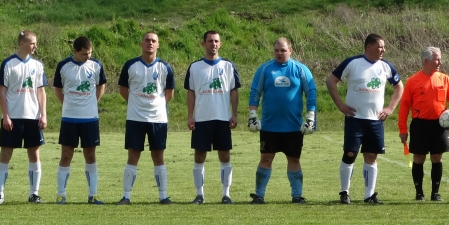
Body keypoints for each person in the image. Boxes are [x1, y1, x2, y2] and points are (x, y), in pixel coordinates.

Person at [326, 33, 404, 204]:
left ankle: (369, 195)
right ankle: (344, 192)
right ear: (369, 47)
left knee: (371, 156)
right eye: (380, 46)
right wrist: (340, 104)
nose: (383, 49)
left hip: (375, 120)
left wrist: (390, 108)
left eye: (383, 47)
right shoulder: (353, 63)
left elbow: (399, 86)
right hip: (355, 118)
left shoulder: (385, 66)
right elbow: (331, 80)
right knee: (350, 153)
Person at [247, 38, 317, 204]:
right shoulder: (265, 69)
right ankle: (259, 195)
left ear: (290, 50)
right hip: (270, 126)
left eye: (283, 50)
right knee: (265, 159)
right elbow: (255, 92)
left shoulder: (300, 69)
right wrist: (252, 114)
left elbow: (311, 92)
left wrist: (311, 116)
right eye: (276, 50)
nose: (279, 53)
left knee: (294, 160)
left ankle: (297, 196)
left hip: (293, 126)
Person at [398, 47, 449, 202]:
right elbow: (404, 106)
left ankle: (435, 193)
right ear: (426, 61)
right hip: (420, 125)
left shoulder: (444, 79)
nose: (440, 62)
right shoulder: (413, 81)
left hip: (439, 125)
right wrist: (403, 128)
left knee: (437, 157)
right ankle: (419, 193)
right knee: (419, 157)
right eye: (437, 59)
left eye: (440, 59)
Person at [117, 32, 175, 204]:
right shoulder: (130, 65)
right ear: (141, 43)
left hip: (158, 119)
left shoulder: (165, 67)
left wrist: (155, 105)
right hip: (135, 118)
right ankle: (126, 196)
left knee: (158, 156)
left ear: (158, 45)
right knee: (133, 156)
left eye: (154, 41)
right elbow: (123, 90)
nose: (150, 43)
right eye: (147, 40)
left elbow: (169, 93)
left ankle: (163, 196)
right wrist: (137, 103)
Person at [184, 30, 240, 204]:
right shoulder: (195, 67)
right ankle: (199, 195)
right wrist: (190, 116)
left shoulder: (228, 66)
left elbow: (234, 91)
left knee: (224, 155)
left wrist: (235, 114)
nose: (213, 44)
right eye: (210, 41)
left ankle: (226, 194)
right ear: (203, 44)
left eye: (216, 41)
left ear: (220, 44)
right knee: (199, 156)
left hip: (222, 118)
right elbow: (191, 92)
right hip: (202, 118)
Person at [0, 30, 48, 204]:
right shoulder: (9, 64)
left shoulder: (38, 65)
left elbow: (41, 91)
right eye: (32, 43)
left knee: (34, 153)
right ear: (22, 44)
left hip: (33, 117)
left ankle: (34, 193)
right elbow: (1, 92)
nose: (35, 46)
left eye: (36, 43)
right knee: (6, 153)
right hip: (13, 117)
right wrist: (6, 116)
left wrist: (43, 114)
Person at [53, 36, 107, 204]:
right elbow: (57, 89)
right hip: (69, 118)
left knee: (90, 155)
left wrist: (93, 103)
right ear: (75, 51)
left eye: (89, 53)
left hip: (90, 118)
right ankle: (61, 194)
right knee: (66, 155)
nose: (87, 57)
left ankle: (93, 194)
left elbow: (100, 86)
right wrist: (67, 104)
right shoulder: (63, 66)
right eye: (84, 54)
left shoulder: (96, 65)